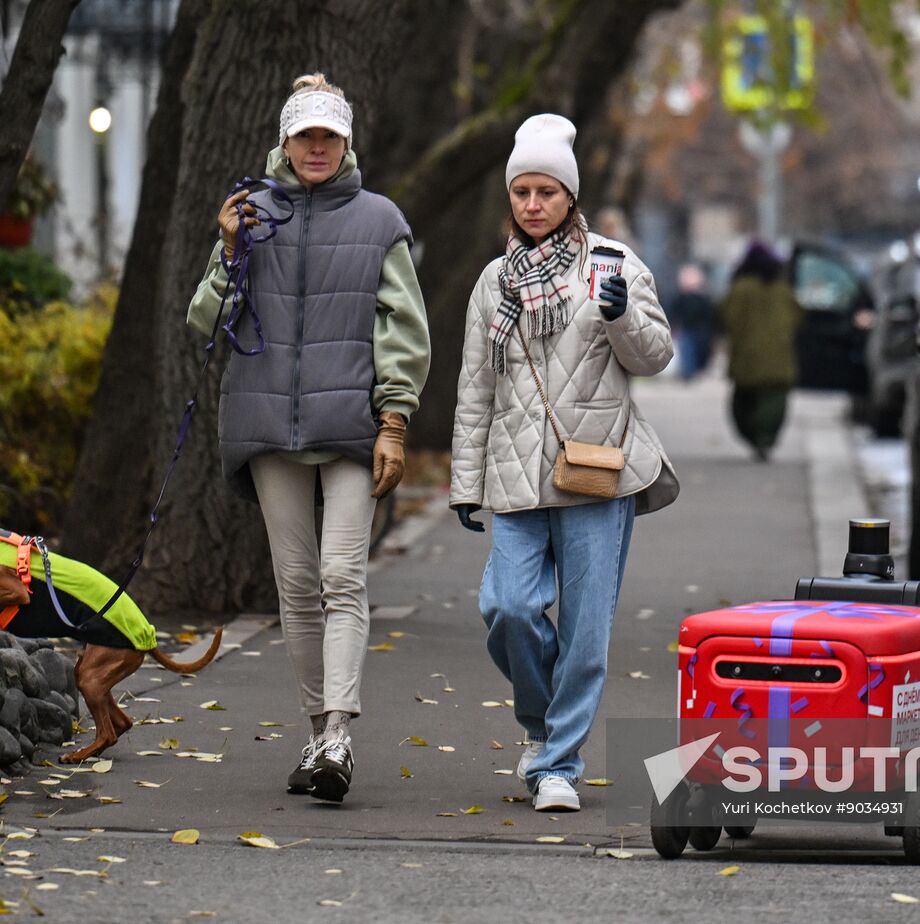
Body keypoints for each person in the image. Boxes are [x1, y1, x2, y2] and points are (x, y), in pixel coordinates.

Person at [186, 73, 430, 804]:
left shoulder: (381, 220)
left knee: (342, 577)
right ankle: (318, 731)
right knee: (296, 587)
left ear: (346, 141)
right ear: (285, 142)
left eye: (329, 136)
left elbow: (405, 332)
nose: (317, 148)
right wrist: (230, 249)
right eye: (305, 136)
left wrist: (394, 421)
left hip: (351, 425)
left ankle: (338, 737)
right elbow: (204, 321)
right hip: (268, 423)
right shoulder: (250, 214)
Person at [450, 114, 679, 812]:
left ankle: (557, 765)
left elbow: (655, 357)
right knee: (507, 609)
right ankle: (543, 725)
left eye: (546, 191)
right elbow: (474, 388)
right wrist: (465, 483)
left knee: (585, 634)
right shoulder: (494, 282)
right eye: (521, 191)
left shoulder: (611, 264)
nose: (532, 204)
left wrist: (618, 316)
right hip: (515, 476)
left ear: (569, 197)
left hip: (596, 471)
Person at [719, 242, 802, 461]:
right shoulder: (783, 289)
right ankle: (765, 440)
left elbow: (727, 317)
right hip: (778, 362)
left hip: (746, 360)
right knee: (774, 404)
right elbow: (797, 317)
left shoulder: (740, 289)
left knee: (742, 405)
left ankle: (756, 439)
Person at [666, 262, 717, 380]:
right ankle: (688, 372)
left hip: (699, 330)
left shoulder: (702, 299)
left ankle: (693, 371)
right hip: (687, 329)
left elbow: (708, 315)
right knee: (687, 350)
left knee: (697, 350)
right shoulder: (681, 298)